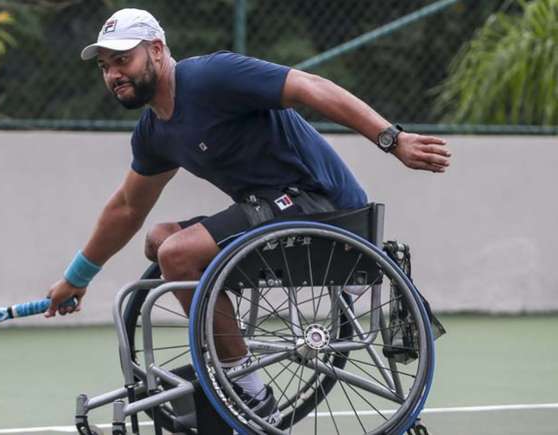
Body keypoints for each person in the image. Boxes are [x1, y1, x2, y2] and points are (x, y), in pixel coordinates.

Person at [44, 7, 451, 425]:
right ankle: (226, 359)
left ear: (158, 50)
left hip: (324, 204)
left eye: (123, 60)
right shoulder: (154, 132)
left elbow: (311, 87)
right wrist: (77, 277)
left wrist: (392, 138)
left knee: (178, 254)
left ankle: (252, 394)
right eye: (105, 66)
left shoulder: (211, 77)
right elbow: (127, 208)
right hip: (271, 208)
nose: (113, 74)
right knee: (158, 239)